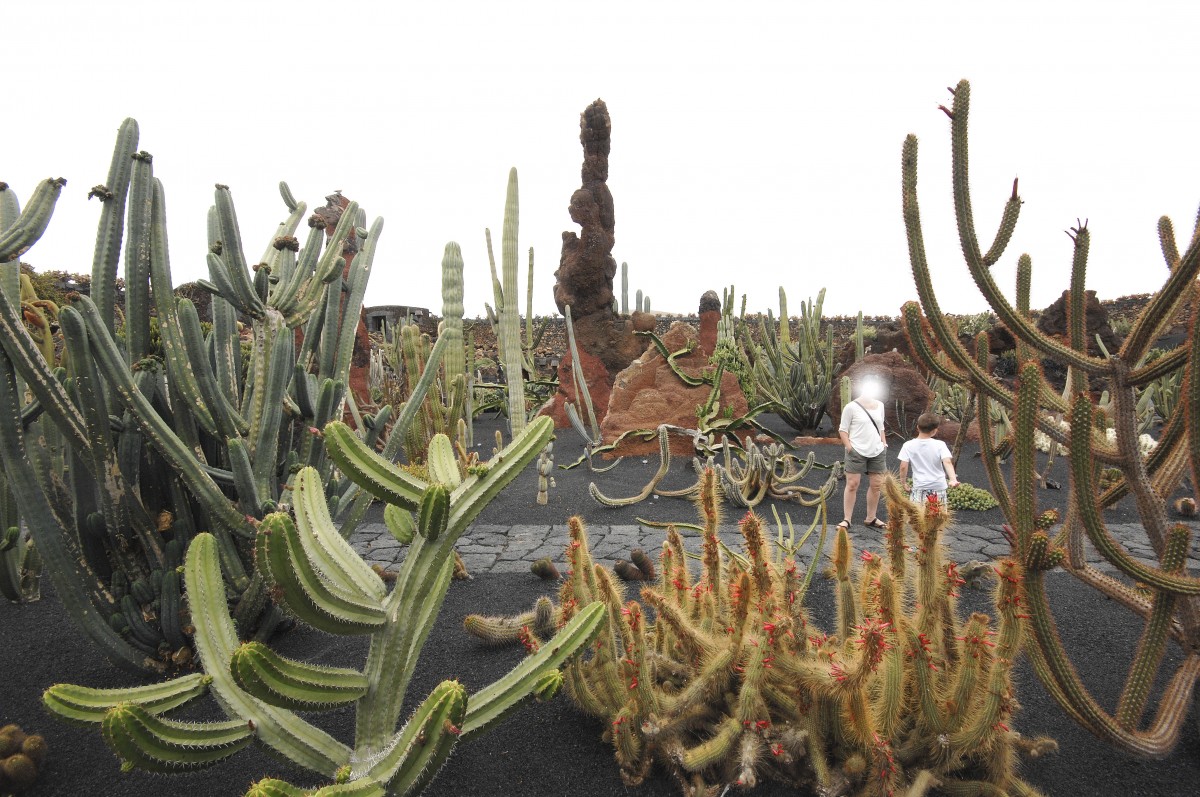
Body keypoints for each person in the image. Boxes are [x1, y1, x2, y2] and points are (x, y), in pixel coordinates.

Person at [838, 377, 889, 530]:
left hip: (877, 450)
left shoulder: (880, 405)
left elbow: (881, 427)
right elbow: (843, 430)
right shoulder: (851, 407)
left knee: (876, 485)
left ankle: (871, 517)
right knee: (853, 484)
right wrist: (849, 448)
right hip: (857, 450)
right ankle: (847, 519)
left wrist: (883, 443)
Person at [897, 412, 960, 507]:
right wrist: (952, 479)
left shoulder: (908, 445)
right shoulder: (940, 444)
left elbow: (903, 466)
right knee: (938, 517)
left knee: (917, 517)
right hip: (938, 487)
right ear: (935, 430)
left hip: (919, 487)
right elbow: (947, 462)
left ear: (917, 427)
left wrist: (903, 482)